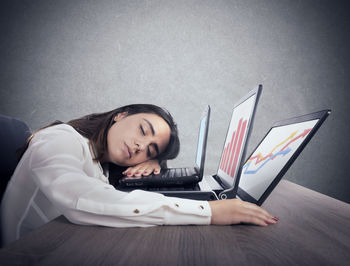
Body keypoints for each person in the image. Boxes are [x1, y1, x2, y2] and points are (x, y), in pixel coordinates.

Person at [0, 104, 277, 246]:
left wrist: (154, 165)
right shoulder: (58, 139)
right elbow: (81, 198)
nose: (139, 146)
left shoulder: (101, 166)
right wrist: (209, 212)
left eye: (150, 148)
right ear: (120, 115)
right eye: (143, 130)